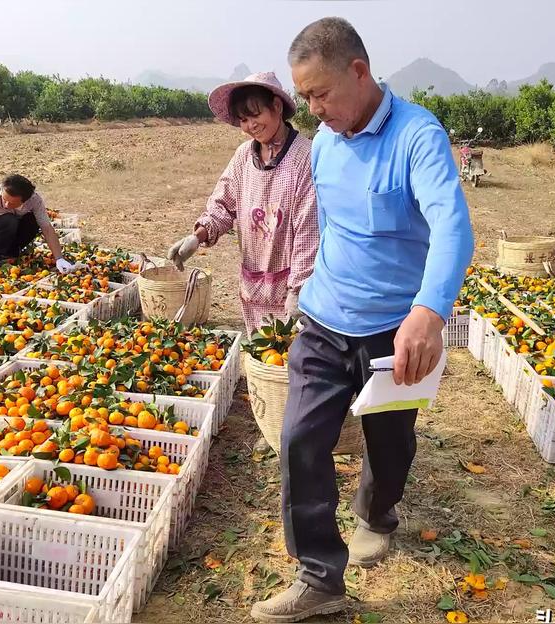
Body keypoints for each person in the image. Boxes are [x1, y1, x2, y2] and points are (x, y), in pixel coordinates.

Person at [250, 18, 475, 623]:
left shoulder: (416, 136)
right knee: (300, 441)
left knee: (390, 441)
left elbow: (453, 226)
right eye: (306, 98)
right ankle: (320, 576)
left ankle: (377, 513)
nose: (315, 109)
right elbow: (332, 228)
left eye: (322, 93)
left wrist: (428, 312)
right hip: (325, 321)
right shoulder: (324, 141)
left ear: (359, 71)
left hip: (392, 331)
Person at [165, 71, 319, 337]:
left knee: (289, 364)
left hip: (293, 291)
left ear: (277, 107)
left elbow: (309, 229)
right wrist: (197, 237)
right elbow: (223, 205)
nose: (251, 126)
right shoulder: (243, 158)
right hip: (254, 288)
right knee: (260, 356)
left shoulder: (304, 157)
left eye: (256, 115)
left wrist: (299, 290)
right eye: (244, 120)